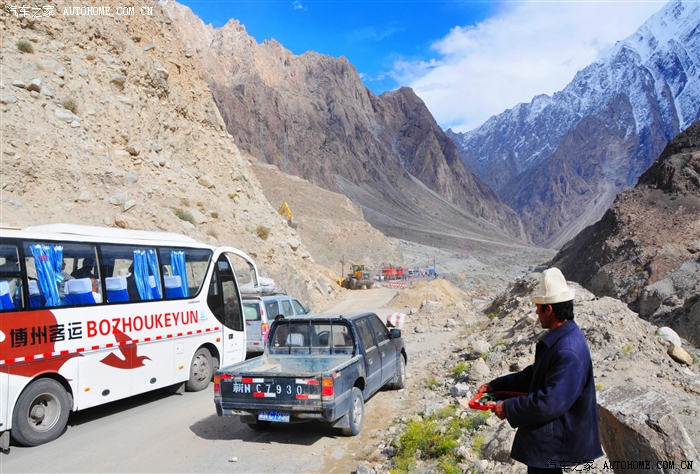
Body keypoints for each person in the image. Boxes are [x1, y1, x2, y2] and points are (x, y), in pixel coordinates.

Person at [479, 268, 603, 473]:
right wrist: (496, 385)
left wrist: (508, 408)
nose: (536, 312)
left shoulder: (568, 351)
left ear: (549, 309)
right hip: (550, 441)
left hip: (554, 443)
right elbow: (534, 375)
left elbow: (549, 403)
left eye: (538, 307)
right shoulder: (563, 339)